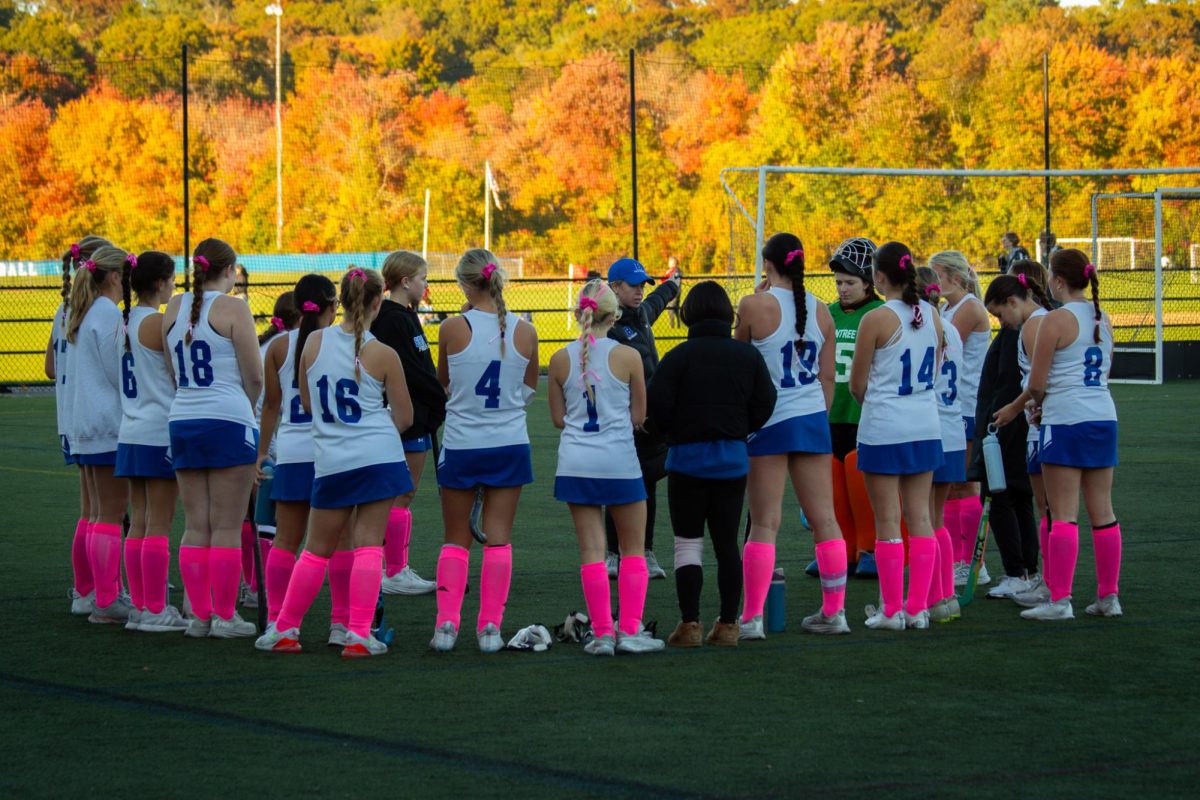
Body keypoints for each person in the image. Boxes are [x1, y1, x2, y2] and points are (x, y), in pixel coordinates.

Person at [256, 268, 415, 657]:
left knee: (315, 549)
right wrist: (373, 432)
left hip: (331, 458)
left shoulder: (312, 344)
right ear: (377, 302)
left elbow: (308, 405)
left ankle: (285, 628)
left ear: (340, 300)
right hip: (377, 457)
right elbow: (405, 417)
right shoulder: (383, 353)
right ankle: (357, 634)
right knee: (366, 547)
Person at [647, 281, 776, 648]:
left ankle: (689, 625)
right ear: (726, 313)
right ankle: (729, 625)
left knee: (688, 544)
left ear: (687, 314)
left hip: (687, 462)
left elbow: (658, 407)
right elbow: (766, 402)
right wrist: (740, 429)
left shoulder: (678, 357)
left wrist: (671, 432)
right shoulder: (747, 356)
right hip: (731, 461)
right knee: (727, 545)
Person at [735, 233, 847, 638]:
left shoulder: (753, 304)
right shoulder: (822, 311)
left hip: (768, 420)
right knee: (825, 521)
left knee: (764, 523)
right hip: (812, 417)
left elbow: (739, 361)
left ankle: (752, 618)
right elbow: (828, 377)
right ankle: (835, 613)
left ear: (768, 263)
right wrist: (816, 411)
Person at [431, 249, 538, 653]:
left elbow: (444, 383)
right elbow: (528, 389)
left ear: (463, 283)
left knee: (455, 539)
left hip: (463, 444)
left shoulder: (451, 327)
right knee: (499, 539)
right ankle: (490, 626)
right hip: (508, 443)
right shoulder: (525, 329)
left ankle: (446, 625)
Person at [548, 280, 664, 656]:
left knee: (591, 551)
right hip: (619, 461)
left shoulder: (561, 358)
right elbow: (640, 415)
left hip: (576, 462)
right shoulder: (628, 356)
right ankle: (628, 630)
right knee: (632, 550)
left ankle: (601, 634)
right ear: (613, 317)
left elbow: (557, 418)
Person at [163, 238, 263, 639]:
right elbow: (254, 376)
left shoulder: (172, 306)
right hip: (227, 419)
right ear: (229, 269)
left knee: (195, 524)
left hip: (182, 418)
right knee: (226, 525)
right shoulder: (235, 307)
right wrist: (246, 408)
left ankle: (199, 616)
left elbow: (171, 369)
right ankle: (223, 615)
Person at [1022, 249, 1123, 621]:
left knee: (1062, 514)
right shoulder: (1104, 318)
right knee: (1104, 513)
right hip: (1102, 417)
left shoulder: (1056, 320)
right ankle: (1108, 597)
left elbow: (1036, 382)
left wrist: (1035, 407)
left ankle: (1060, 601)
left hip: (1066, 420)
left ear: (1059, 281)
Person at [850, 242, 944, 631]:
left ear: (878, 276)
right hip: (925, 424)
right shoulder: (934, 315)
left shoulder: (876, 318)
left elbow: (857, 386)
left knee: (888, 521)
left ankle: (892, 611)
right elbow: (936, 370)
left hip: (885, 426)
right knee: (920, 517)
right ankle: (918, 608)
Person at [256, 275, 338, 632]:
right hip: (333, 450)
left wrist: (261, 454)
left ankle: (279, 621)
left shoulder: (277, 346)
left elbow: (271, 407)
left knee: (285, 540)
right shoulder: (341, 343)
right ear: (332, 306)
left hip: (292, 449)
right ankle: (343, 624)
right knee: (343, 543)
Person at [114, 251, 188, 632]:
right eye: (172, 279)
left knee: (140, 522)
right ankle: (154, 608)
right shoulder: (158, 323)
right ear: (159, 283)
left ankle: (143, 607)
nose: (175, 285)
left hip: (131, 431)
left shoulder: (123, 322)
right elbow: (180, 371)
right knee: (158, 523)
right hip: (158, 430)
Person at [371, 250, 446, 596]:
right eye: (422, 279)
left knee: (403, 493)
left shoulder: (406, 316)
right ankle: (394, 571)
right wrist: (438, 397)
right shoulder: (391, 318)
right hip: (406, 415)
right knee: (401, 494)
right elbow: (409, 371)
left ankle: (393, 567)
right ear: (405, 282)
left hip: (417, 412)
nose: (426, 285)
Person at [65, 244, 132, 624]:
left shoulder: (85, 309)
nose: (127, 283)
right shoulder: (106, 312)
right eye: (124, 275)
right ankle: (107, 598)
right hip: (107, 425)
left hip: (87, 424)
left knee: (94, 514)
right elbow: (117, 373)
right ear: (112, 276)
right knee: (110, 513)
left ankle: (90, 591)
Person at [604, 257, 682, 580]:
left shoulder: (643, 315)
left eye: (641, 285)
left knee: (648, 484)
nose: (639, 291)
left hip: (649, 422)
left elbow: (656, 300)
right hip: (623, 420)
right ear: (614, 288)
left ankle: (645, 550)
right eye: (633, 285)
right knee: (621, 487)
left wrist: (673, 285)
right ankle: (612, 553)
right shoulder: (607, 325)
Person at [46, 235, 111, 616]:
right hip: (95, 417)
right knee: (104, 510)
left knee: (89, 508)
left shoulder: (64, 308)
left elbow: (50, 369)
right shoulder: (96, 311)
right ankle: (100, 589)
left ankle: (85, 588)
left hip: (70, 418)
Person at [982, 264, 1055, 602]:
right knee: (1034, 501)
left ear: (1012, 300)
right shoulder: (1036, 323)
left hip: (1038, 424)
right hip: (1037, 421)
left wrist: (1015, 408)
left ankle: (1036, 579)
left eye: (999, 315)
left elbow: (1034, 382)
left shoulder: (1032, 327)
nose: (1001, 324)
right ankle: (1035, 575)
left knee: (1050, 508)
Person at [929, 250, 991, 587]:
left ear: (954, 276)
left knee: (965, 484)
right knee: (953, 486)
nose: (936, 284)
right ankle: (958, 559)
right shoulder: (950, 308)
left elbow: (940, 344)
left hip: (966, 406)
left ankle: (973, 562)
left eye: (938, 276)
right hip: (953, 406)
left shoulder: (967, 308)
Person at [824, 237, 885, 579]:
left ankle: (870, 548)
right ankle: (840, 548)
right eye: (838, 283)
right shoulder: (827, 313)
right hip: (833, 413)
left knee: (862, 486)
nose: (842, 289)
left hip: (864, 413)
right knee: (833, 487)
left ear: (868, 282)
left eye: (849, 282)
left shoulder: (878, 314)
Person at [240, 290, 299, 610]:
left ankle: (250, 584)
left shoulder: (267, 345)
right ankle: (256, 588)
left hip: (244, 433)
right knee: (267, 519)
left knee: (247, 518)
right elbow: (272, 406)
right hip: (267, 441)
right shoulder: (289, 349)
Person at [915, 267, 964, 623]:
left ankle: (931, 598)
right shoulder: (950, 328)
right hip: (953, 427)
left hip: (928, 427)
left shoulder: (919, 325)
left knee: (921, 519)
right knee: (937, 519)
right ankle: (946, 597)